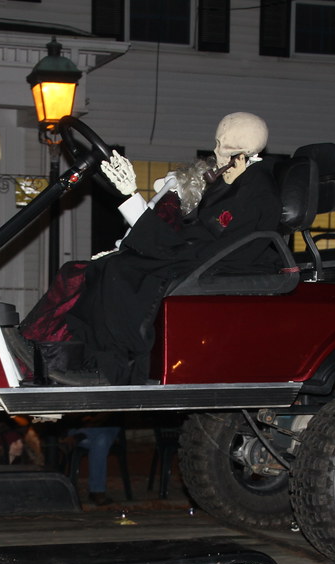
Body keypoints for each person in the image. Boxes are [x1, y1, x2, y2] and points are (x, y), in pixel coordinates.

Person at [56, 112, 284, 384]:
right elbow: (199, 230)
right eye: (217, 144)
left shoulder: (256, 187)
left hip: (225, 260)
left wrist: (141, 214)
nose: (216, 152)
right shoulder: (233, 181)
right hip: (209, 253)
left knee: (124, 271)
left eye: (225, 148)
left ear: (243, 154)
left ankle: (117, 368)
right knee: (109, 266)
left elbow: (220, 238)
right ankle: (90, 360)